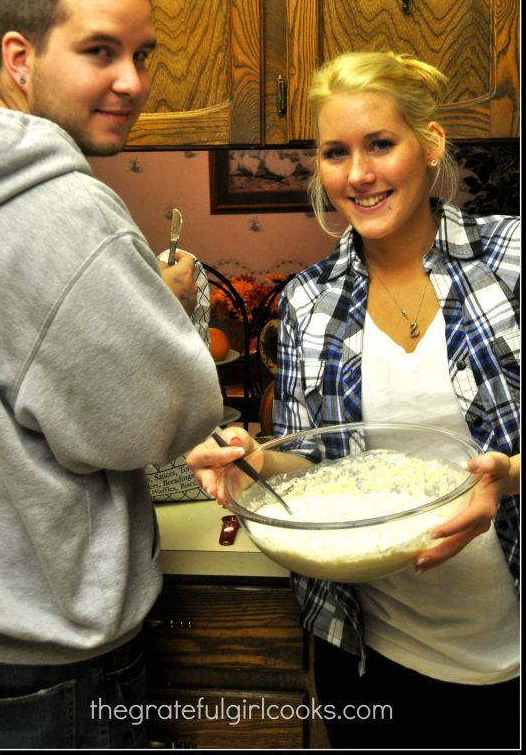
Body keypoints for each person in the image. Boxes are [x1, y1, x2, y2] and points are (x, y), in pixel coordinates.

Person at [0, 0, 224, 749]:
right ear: (21, 55)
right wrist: (169, 309)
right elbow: (161, 421)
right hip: (53, 666)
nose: (134, 82)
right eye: (99, 51)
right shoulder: (66, 212)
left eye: (142, 53)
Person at [187, 51, 520, 749]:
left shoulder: (512, 259)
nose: (358, 175)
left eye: (380, 144)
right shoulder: (310, 302)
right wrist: (250, 460)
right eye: (335, 152)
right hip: (378, 661)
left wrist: (512, 478)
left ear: (428, 145)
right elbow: (321, 479)